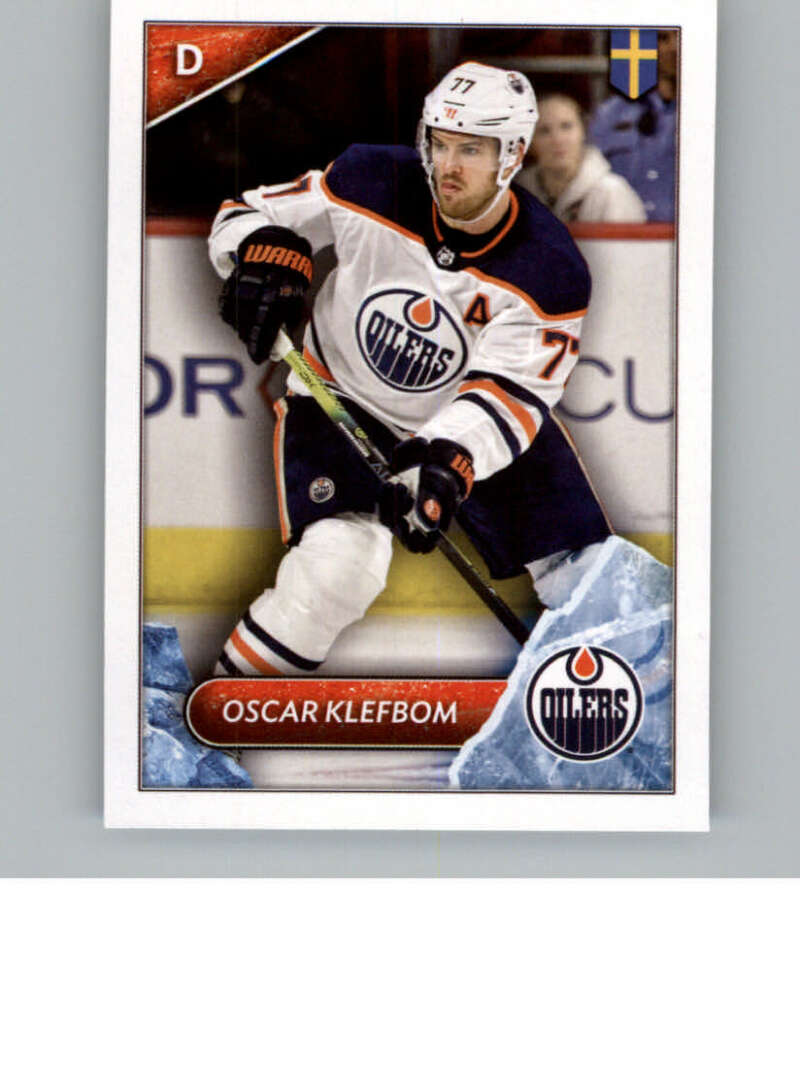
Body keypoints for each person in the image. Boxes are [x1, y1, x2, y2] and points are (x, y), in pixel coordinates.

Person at [207, 61, 614, 679]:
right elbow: (245, 213)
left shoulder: (549, 269)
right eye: (439, 144)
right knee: (336, 571)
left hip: (466, 419)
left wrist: (444, 463)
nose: (447, 166)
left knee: (590, 577)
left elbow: (508, 394)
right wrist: (262, 256)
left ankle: (621, 707)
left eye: (470, 150)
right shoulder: (371, 177)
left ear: (512, 154)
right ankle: (223, 711)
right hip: (340, 397)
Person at [589, 29, 678, 221]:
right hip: (624, 233)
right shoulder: (609, 114)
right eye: (663, 38)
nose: (674, 47)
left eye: (679, 37)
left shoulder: (713, 113)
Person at [517, 93, 646, 223]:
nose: (557, 139)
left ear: (583, 131)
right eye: (544, 130)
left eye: (566, 126)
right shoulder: (519, 191)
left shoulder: (611, 193)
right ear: (529, 141)